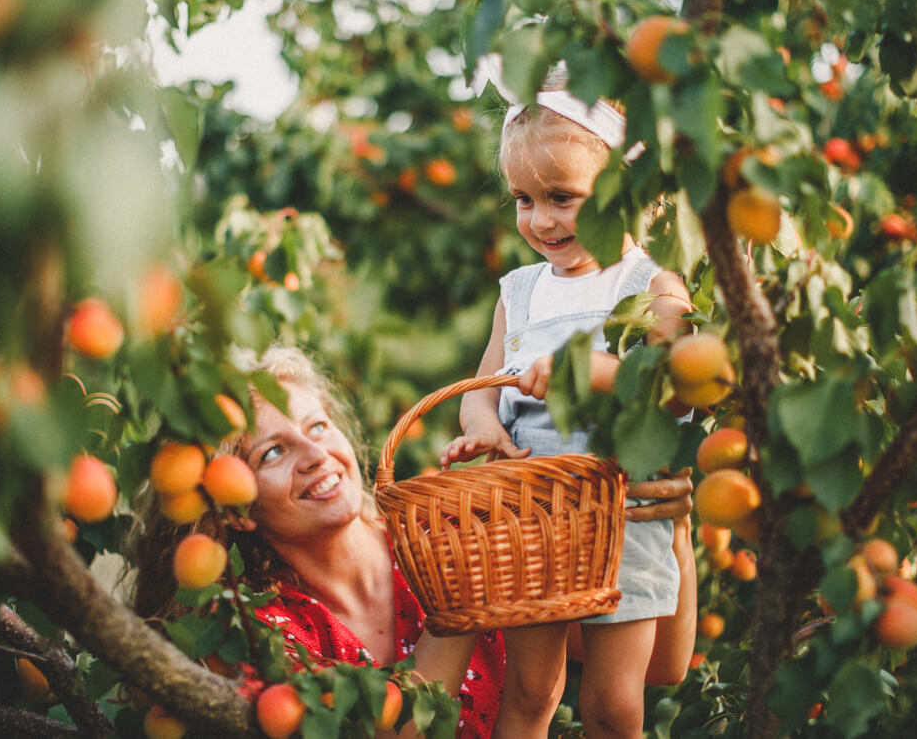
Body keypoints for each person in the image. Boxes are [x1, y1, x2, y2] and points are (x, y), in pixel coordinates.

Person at [131, 345, 696, 739]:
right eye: (272, 452)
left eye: (318, 427)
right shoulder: (247, 632)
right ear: (238, 511)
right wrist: (459, 593)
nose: (314, 456)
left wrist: (669, 529)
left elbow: (662, 664)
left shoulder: (434, 540)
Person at [440, 70, 696, 739]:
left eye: (562, 197)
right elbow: (480, 391)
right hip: (533, 514)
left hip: (623, 512)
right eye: (524, 200)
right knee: (531, 690)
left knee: (614, 701)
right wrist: (485, 431)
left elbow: (677, 380)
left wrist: (590, 367)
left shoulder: (650, 284)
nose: (541, 220)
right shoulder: (520, 292)